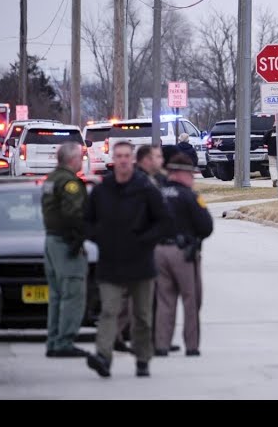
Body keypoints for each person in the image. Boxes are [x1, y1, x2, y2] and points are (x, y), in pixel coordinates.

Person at [85, 141, 173, 378]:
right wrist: (99, 237)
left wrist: (145, 239)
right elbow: (87, 220)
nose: (123, 160)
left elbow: (164, 221)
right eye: (119, 156)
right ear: (114, 159)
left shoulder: (145, 188)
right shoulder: (103, 189)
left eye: (127, 156)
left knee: (142, 316)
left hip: (140, 262)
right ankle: (103, 356)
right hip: (110, 262)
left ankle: (143, 359)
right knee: (108, 311)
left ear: (132, 159)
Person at [155, 153, 213, 357]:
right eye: (191, 174)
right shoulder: (190, 196)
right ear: (180, 173)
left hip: (159, 252)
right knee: (191, 299)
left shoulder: (157, 193)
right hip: (183, 253)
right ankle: (192, 345)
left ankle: (161, 344)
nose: (193, 178)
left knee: (164, 300)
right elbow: (206, 226)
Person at [41, 142, 89, 358]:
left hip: (51, 240)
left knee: (57, 295)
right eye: (80, 157)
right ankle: (64, 341)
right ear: (71, 160)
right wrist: (80, 238)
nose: (82, 160)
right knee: (72, 293)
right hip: (65, 243)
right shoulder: (70, 183)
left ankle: (53, 340)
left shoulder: (51, 179)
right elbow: (74, 214)